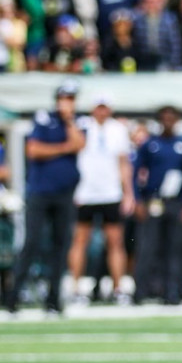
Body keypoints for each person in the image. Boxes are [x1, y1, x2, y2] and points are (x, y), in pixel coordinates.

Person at [8, 80, 85, 314]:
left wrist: (68, 121)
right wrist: (63, 148)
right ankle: (13, 298)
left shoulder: (77, 121)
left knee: (60, 246)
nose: (67, 103)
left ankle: (53, 300)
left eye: (71, 99)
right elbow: (33, 150)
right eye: (64, 98)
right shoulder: (43, 118)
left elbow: (80, 144)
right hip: (39, 193)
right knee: (31, 244)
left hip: (65, 193)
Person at [67, 95, 133, 306]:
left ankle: (118, 287)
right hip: (85, 192)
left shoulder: (118, 130)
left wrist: (128, 193)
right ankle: (76, 288)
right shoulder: (82, 126)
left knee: (115, 241)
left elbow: (123, 162)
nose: (102, 112)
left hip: (110, 192)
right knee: (80, 241)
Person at [133, 106, 182, 305]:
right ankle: (140, 292)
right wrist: (138, 200)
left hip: (176, 202)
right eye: (165, 118)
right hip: (154, 200)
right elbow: (136, 172)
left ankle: (172, 292)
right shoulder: (150, 143)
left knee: (174, 249)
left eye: (172, 117)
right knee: (148, 248)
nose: (168, 121)